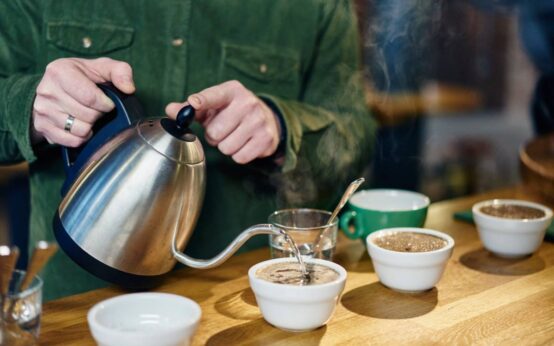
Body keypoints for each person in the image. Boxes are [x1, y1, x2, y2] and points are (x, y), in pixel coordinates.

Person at [0, 0, 376, 301]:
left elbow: (356, 137)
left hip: (239, 302)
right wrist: (29, 105)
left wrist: (281, 126)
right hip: (76, 304)